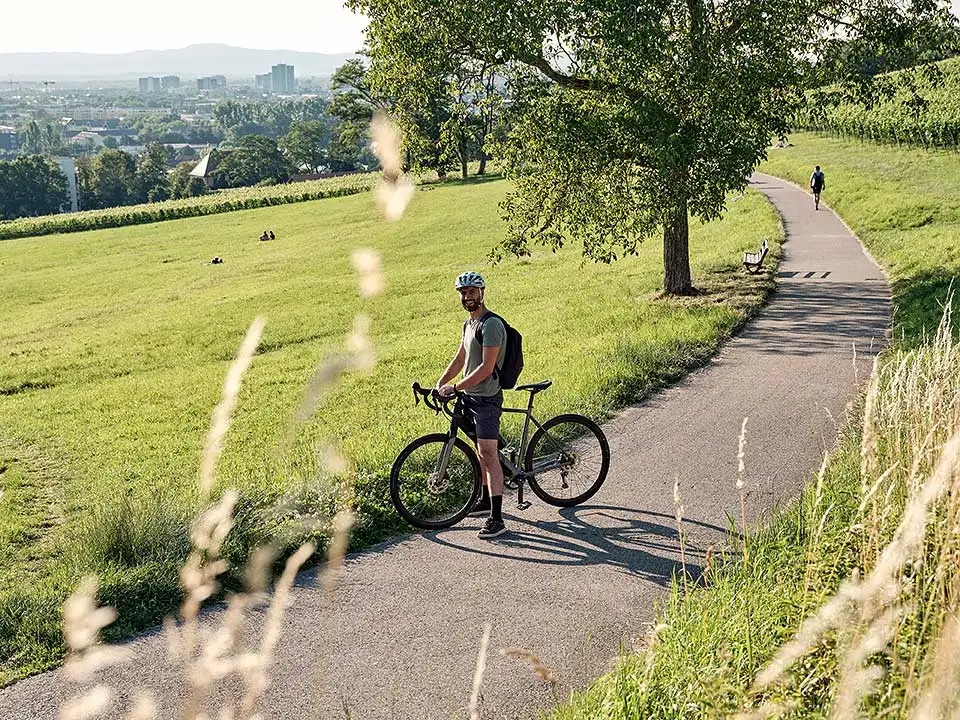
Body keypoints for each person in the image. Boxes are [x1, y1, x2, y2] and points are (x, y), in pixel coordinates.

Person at [437, 271, 508, 539]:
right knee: (481, 452)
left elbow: (486, 368)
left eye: (471, 292)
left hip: (487, 398)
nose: (467, 297)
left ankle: (498, 519)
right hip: (470, 396)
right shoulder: (469, 324)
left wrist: (455, 387)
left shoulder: (491, 325)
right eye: (463, 293)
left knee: (488, 454)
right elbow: (461, 358)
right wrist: (441, 381)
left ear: (482, 292)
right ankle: (486, 499)